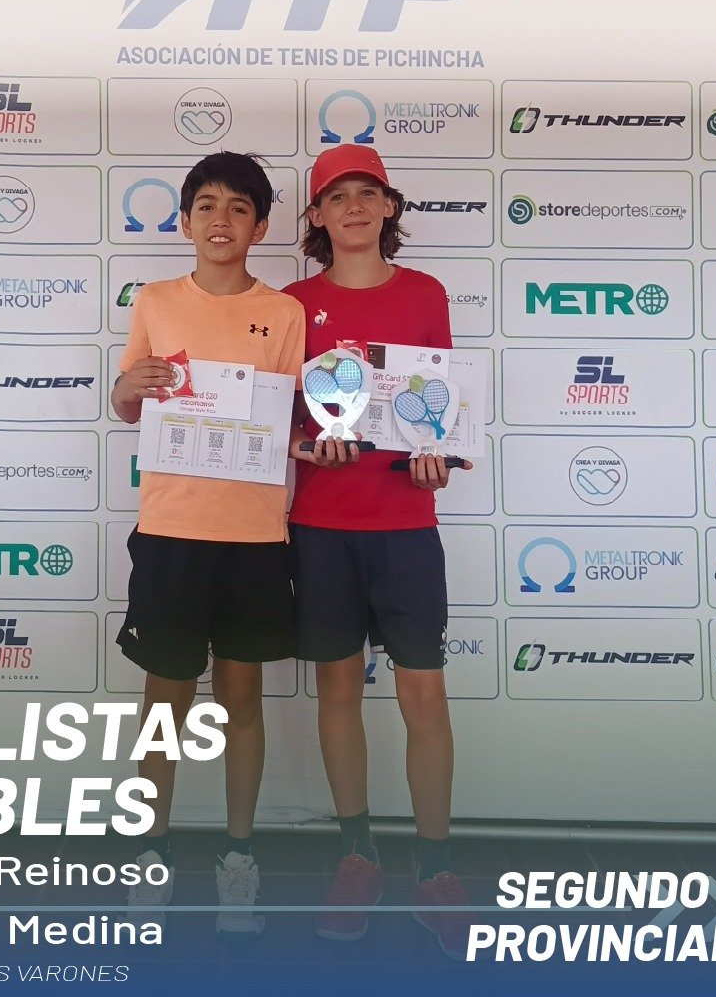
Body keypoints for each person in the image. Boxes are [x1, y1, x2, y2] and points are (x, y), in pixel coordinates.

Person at [284, 144, 474, 959]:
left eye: (368, 193)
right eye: (338, 196)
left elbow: (441, 410)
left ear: (390, 207)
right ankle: (356, 856)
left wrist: (440, 458)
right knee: (337, 692)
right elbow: (279, 418)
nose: (355, 207)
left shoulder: (425, 293)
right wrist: (305, 446)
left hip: (405, 527)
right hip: (323, 527)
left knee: (424, 698)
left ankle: (436, 869)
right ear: (317, 216)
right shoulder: (293, 304)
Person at [110, 152, 305, 938]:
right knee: (165, 703)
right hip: (171, 534)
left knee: (241, 702)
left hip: (254, 535)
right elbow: (127, 401)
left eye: (238, 208)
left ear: (261, 226)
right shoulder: (155, 300)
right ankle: (149, 853)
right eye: (207, 206)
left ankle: (238, 854)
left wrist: (314, 444)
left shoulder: (284, 312)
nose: (221, 220)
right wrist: (128, 388)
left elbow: (289, 420)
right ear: (186, 220)